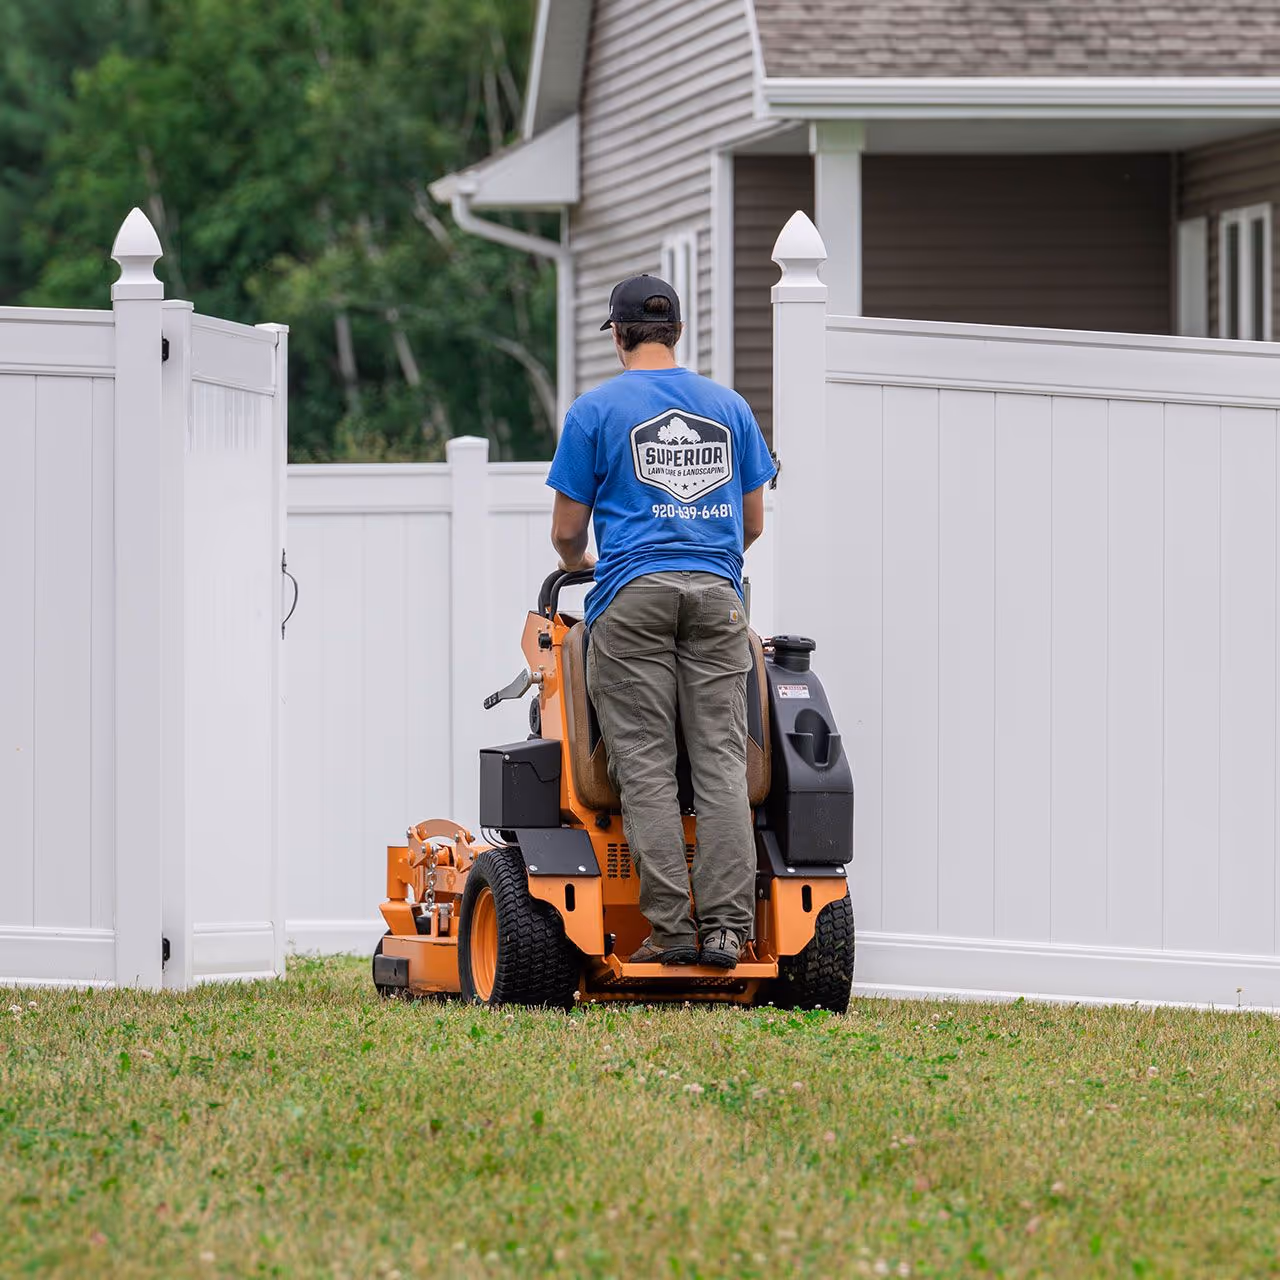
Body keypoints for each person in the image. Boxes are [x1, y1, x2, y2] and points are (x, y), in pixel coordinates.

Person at [546, 274, 777, 970]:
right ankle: (729, 933)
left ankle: (673, 933)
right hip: (717, 595)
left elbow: (565, 533)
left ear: (618, 335)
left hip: (633, 597)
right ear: (675, 331)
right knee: (720, 765)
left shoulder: (595, 411)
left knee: (644, 767)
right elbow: (753, 524)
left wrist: (585, 560)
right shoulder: (729, 407)